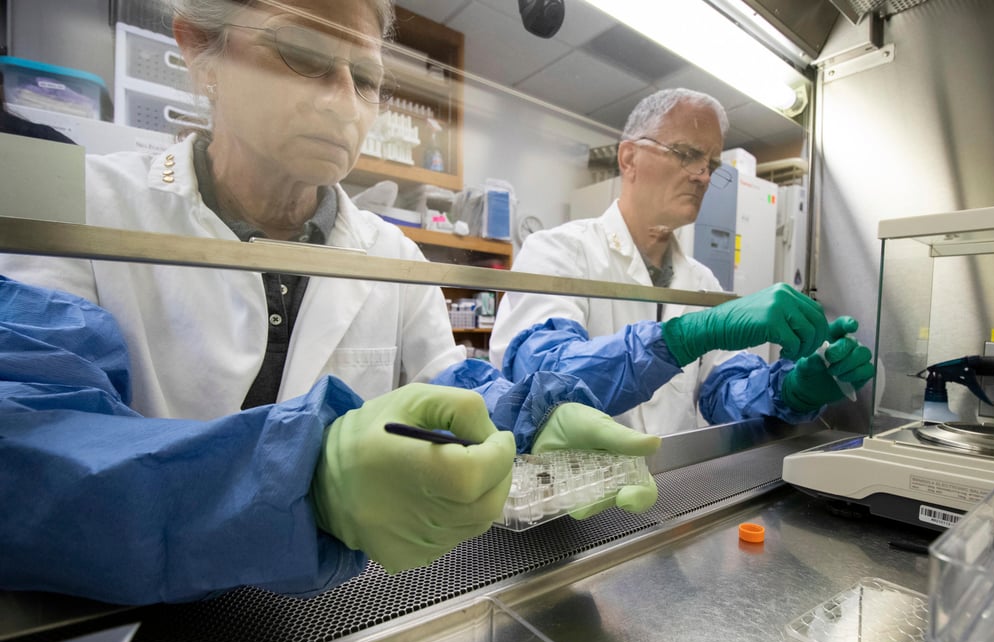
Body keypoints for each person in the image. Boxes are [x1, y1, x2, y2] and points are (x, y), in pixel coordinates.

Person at [0, 0, 658, 606]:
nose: (343, 101)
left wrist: (525, 427)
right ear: (203, 52)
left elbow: (447, 391)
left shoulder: (393, 256)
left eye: (366, 79)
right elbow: (31, 451)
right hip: (129, 630)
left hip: (329, 622)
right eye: (303, 57)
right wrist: (307, 479)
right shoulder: (77, 205)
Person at [489, 88, 875, 436]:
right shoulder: (556, 251)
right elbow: (541, 385)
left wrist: (793, 391)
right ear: (629, 158)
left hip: (674, 493)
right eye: (688, 155)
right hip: (575, 499)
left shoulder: (701, 280)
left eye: (712, 164)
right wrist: (684, 337)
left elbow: (725, 391)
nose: (703, 176)